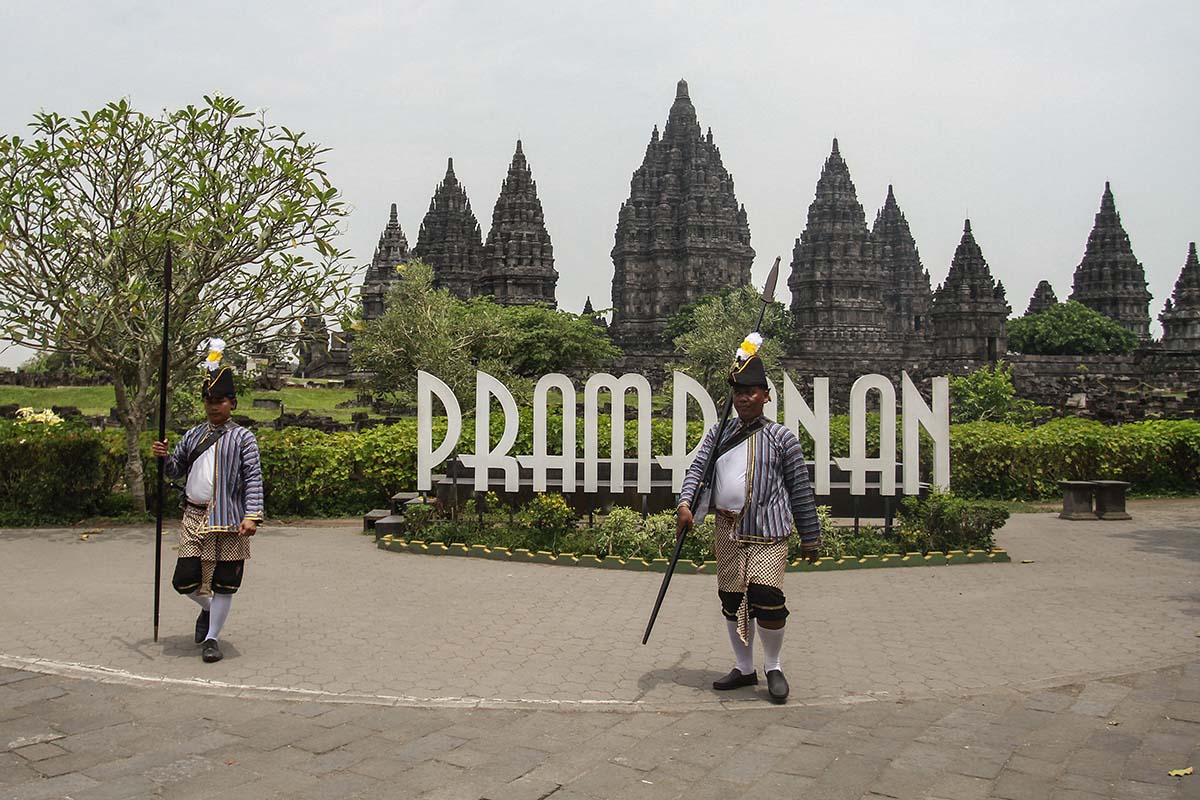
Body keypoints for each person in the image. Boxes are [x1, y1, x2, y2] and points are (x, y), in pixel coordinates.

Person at [675, 339, 821, 703]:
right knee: (731, 598)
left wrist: (811, 537)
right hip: (727, 529)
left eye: (751, 392)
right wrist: (685, 503)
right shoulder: (718, 433)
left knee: (767, 598)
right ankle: (744, 667)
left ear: (765, 396)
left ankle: (773, 665)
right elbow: (698, 469)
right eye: (738, 392)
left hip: (768, 532)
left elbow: (800, 489)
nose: (743, 399)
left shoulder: (781, 438)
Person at [151, 338, 264, 663]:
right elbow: (175, 470)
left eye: (220, 401)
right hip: (194, 516)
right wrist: (163, 457)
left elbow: (254, 478)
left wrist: (252, 515)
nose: (214, 406)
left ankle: (213, 637)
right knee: (184, 579)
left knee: (225, 582)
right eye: (209, 401)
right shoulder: (193, 435)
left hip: (228, 519)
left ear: (233, 403)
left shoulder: (243, 438)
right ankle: (206, 610)